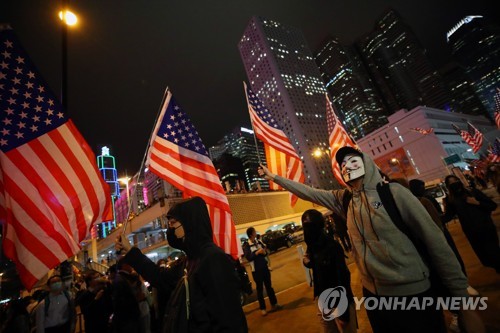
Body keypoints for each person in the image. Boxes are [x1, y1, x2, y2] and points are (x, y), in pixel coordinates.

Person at [258, 146, 484, 333]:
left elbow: (435, 240)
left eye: (353, 160)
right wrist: (275, 177)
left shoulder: (394, 193)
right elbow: (309, 192)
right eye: (343, 163)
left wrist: (459, 292)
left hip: (411, 293)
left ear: (366, 163)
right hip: (374, 297)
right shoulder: (344, 199)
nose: (347, 165)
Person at [115, 196, 248, 333]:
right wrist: (130, 250)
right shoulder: (189, 260)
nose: (170, 229)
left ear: (190, 223)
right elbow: (160, 278)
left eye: (173, 223)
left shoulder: (213, 259)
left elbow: (229, 320)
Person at [301, 209, 356, 333]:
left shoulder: (332, 246)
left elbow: (343, 277)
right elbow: (314, 264)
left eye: (308, 226)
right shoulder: (313, 245)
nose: (306, 231)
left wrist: (344, 312)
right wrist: (307, 261)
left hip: (339, 302)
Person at [443, 175, 500, 274]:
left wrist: (477, 202)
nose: (454, 184)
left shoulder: (473, 192)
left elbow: (492, 205)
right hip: (471, 232)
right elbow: (448, 216)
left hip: (486, 227)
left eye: (455, 181)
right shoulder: (450, 200)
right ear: (448, 186)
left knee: (494, 252)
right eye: (451, 183)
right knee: (485, 257)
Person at [243, 227, 281, 316]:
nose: (256, 233)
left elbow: (265, 251)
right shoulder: (247, 245)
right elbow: (248, 257)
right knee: (260, 290)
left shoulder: (259, 242)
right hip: (256, 271)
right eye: (254, 232)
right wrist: (257, 252)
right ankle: (263, 309)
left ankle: (274, 304)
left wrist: (264, 252)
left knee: (269, 287)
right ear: (251, 234)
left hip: (264, 268)